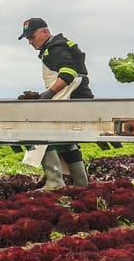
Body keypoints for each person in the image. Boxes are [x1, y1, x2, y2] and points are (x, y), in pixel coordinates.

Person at [16, 17, 94, 189]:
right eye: (27, 38)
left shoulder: (54, 48)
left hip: (70, 99)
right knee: (65, 141)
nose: (30, 41)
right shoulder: (59, 45)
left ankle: (54, 182)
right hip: (79, 99)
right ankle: (81, 183)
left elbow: (68, 73)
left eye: (32, 37)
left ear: (45, 32)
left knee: (37, 133)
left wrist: (48, 94)